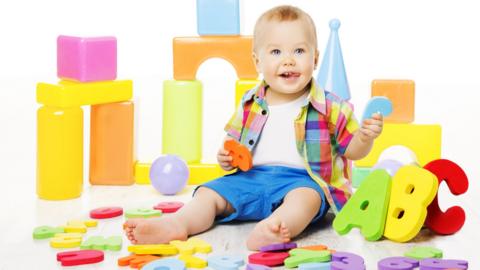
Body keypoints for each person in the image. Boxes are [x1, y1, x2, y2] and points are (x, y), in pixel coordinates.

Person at [125, 5, 383, 251]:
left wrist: (364, 137)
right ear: (257, 62)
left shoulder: (331, 106)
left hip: (301, 181)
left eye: (299, 51)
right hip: (250, 178)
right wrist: (225, 158)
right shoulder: (250, 102)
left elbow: (353, 151)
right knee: (208, 193)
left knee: (306, 199)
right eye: (276, 52)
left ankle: (273, 228)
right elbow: (233, 142)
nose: (288, 61)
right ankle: (177, 224)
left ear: (315, 59)